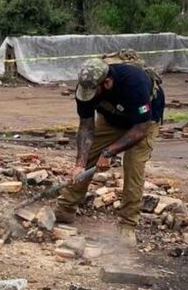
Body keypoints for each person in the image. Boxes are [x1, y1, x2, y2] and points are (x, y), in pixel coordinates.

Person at [54, 53, 165, 245]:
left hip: (142, 122)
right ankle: (65, 209)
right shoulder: (85, 88)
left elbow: (140, 129)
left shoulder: (135, 83)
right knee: (87, 156)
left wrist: (109, 153)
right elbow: (86, 127)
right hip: (111, 118)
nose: (88, 97)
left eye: (93, 92)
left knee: (133, 167)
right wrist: (80, 163)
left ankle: (127, 225)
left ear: (106, 83)